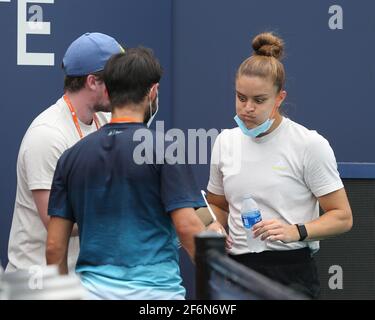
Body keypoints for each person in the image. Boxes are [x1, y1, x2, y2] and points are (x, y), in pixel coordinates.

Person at [45, 47, 213, 300]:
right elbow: (188, 228)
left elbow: (54, 247)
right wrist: (222, 283)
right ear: (153, 91)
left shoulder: (71, 157)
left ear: (108, 92)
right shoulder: (167, 150)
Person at [205, 32, 353, 299]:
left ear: (279, 98)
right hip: (236, 273)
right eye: (240, 97)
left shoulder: (309, 144)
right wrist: (215, 226)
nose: (247, 108)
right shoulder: (224, 142)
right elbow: (217, 204)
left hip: (292, 273)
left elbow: (342, 216)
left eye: (259, 100)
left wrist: (295, 231)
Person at [6, 32, 125, 272]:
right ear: (92, 81)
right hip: (37, 284)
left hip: (84, 279)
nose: (125, 86)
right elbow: (55, 222)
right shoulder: (47, 135)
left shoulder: (106, 120)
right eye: (118, 79)